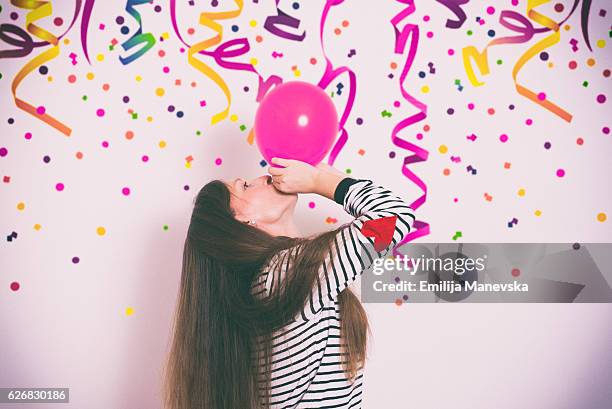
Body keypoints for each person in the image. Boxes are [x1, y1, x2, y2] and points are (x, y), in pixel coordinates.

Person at [162, 157, 416, 409]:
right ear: (241, 219)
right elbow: (394, 217)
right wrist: (322, 182)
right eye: (246, 186)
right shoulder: (282, 276)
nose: (264, 177)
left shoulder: (276, 278)